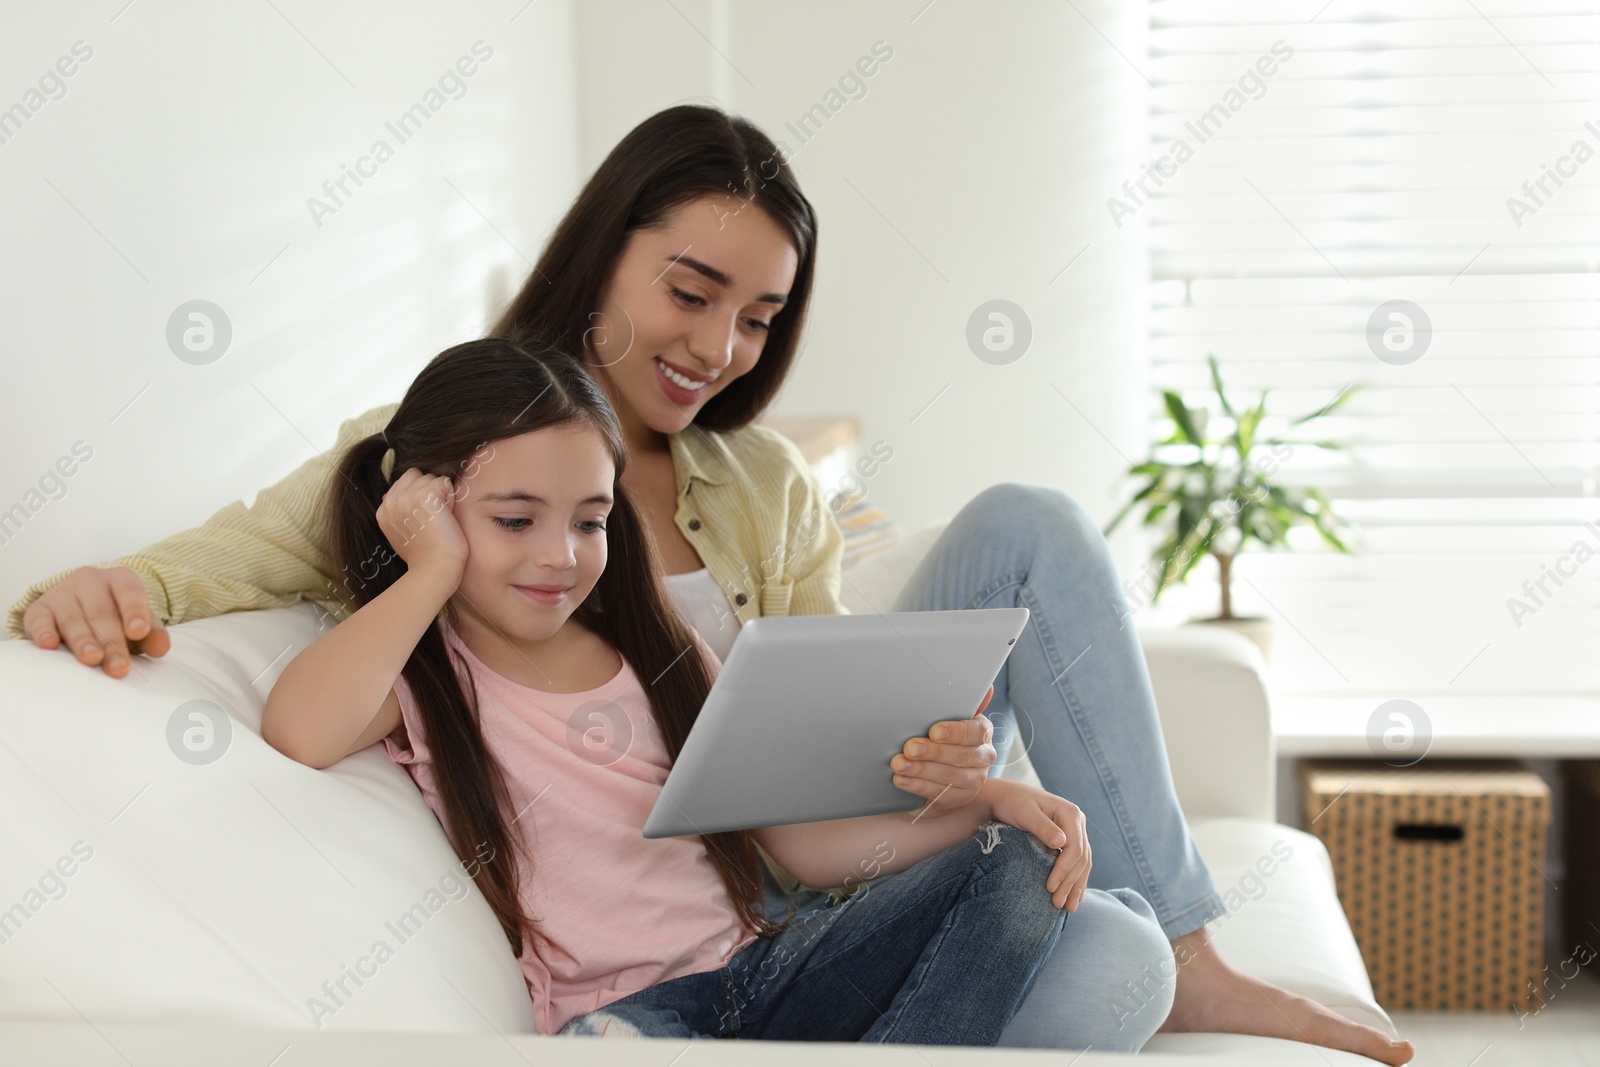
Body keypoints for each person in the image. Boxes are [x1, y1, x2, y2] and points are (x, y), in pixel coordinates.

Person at [8, 104, 1408, 1062]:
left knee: (1032, 540)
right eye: (693, 291)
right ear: (601, 249)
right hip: (710, 946)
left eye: (760, 315)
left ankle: (1188, 935)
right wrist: (107, 585)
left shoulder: (760, 483)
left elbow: (826, 756)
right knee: (1098, 956)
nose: (726, 344)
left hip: (814, 867)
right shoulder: (449, 463)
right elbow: (237, 562)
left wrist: (935, 763)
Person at [259, 335, 1115, 1042]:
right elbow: (299, 727)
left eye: (589, 520)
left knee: (1018, 866)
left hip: (769, 974)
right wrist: (430, 568)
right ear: (429, 507)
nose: (561, 553)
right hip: (636, 1016)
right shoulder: (425, 673)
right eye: (515, 520)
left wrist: (993, 802)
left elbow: (799, 848)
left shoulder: (664, 656)